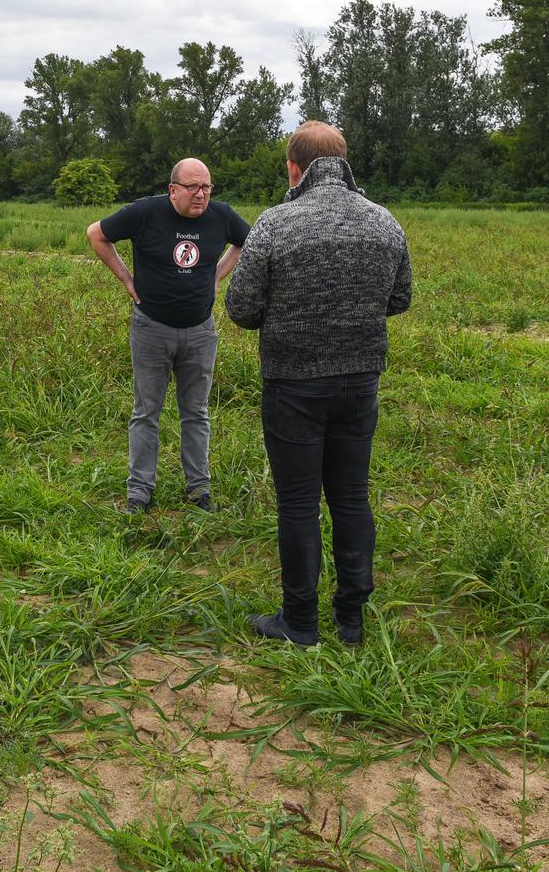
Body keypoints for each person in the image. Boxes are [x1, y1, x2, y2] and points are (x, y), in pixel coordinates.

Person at [225, 122, 412, 646]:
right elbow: (400, 299)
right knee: (352, 497)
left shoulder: (275, 224)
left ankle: (300, 623)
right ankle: (351, 620)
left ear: (293, 168)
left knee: (299, 504)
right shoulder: (383, 222)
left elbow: (240, 309)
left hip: (293, 386)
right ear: (344, 162)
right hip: (360, 382)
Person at [87, 158, 250, 513]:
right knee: (147, 411)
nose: (201, 194)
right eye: (193, 187)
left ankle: (198, 489)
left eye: (206, 187)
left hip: (200, 330)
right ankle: (139, 492)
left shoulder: (221, 216)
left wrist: (218, 275)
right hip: (152, 328)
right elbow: (96, 234)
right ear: (173, 189)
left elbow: (246, 241)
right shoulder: (145, 213)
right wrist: (127, 280)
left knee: (196, 412)